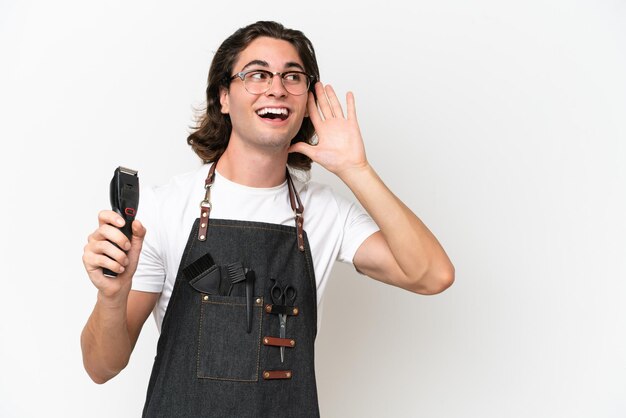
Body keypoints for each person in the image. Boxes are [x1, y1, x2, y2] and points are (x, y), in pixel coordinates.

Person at [80, 21, 454, 418]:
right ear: (224, 96)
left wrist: (356, 168)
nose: (276, 87)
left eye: (292, 76)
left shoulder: (327, 213)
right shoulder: (165, 208)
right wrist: (112, 296)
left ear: (306, 100)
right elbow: (101, 367)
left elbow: (432, 275)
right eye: (257, 74)